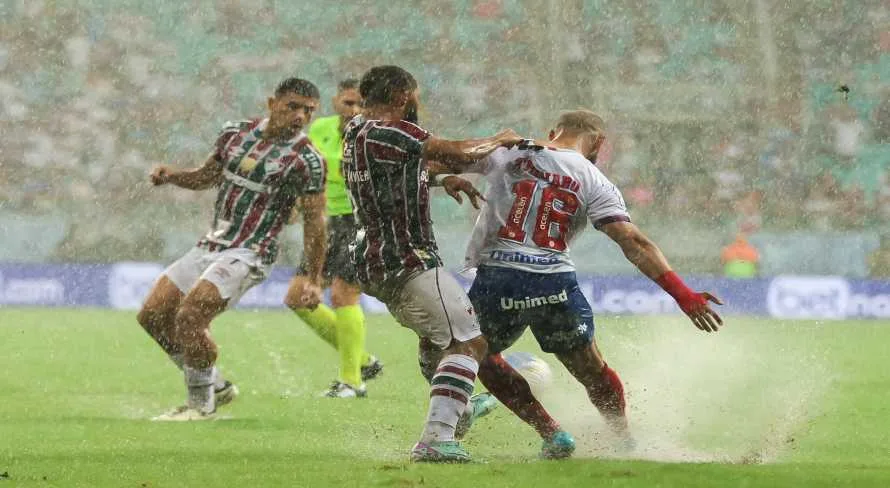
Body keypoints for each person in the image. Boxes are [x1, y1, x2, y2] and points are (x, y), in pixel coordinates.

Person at [440, 109, 723, 458]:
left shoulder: (511, 150)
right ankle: (622, 439)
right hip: (554, 283)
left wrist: (476, 153)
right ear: (599, 142)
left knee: (478, 356)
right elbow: (632, 242)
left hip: (500, 278)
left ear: (553, 131)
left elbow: (442, 157)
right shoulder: (596, 179)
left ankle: (553, 433)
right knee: (591, 368)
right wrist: (684, 295)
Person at [341, 65, 521, 463]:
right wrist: (500, 139)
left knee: (435, 338)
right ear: (404, 96)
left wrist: (440, 180)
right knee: (468, 341)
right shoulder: (396, 130)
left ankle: (459, 406)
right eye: (415, 96)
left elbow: (394, 175)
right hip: (408, 257)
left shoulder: (356, 129)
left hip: (372, 261)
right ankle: (437, 436)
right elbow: (458, 152)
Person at [137, 78, 328, 421]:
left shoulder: (307, 159)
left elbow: (315, 220)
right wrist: (173, 176)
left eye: (309, 111)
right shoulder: (235, 133)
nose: (301, 116)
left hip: (251, 251)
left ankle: (200, 407)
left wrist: (314, 277)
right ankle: (217, 385)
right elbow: (206, 177)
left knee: (190, 318)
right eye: (293, 106)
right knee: (151, 315)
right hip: (212, 242)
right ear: (272, 103)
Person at [285, 79, 383, 398]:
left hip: (361, 220)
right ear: (336, 100)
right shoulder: (320, 130)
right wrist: (297, 204)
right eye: (349, 103)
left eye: (360, 105)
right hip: (326, 222)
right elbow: (305, 172)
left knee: (344, 294)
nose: (355, 110)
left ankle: (351, 381)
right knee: (298, 297)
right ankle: (362, 361)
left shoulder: (376, 134)